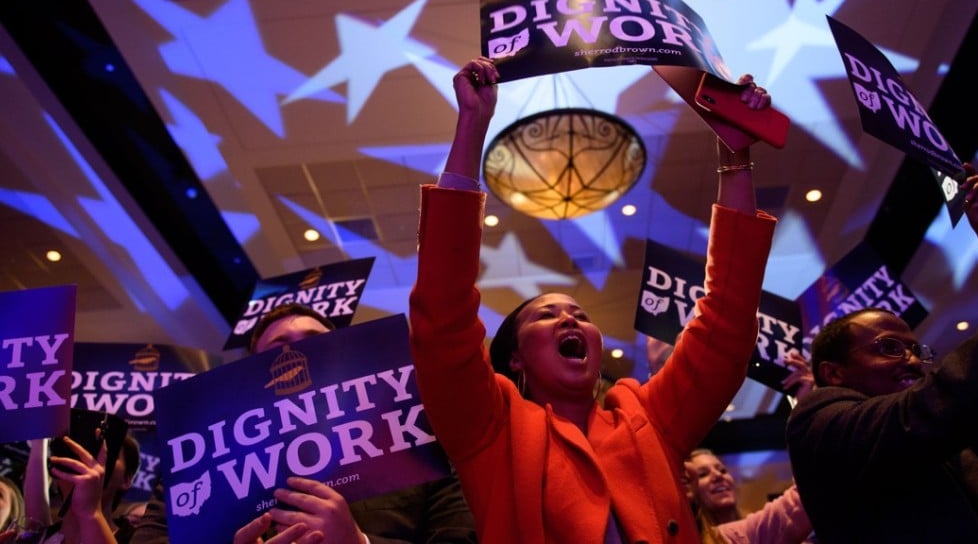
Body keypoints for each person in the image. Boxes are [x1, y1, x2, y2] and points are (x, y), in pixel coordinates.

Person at [408, 57, 778, 543]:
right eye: (547, 315)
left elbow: (727, 319)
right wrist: (473, 126)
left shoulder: (649, 418)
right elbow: (443, 316)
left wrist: (736, 156)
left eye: (580, 315)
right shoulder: (490, 429)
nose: (570, 320)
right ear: (515, 355)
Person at [786, 165, 978, 543]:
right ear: (834, 373)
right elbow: (929, 408)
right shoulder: (819, 422)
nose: (911, 360)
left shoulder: (940, 443)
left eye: (914, 349)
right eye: (889, 348)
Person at [130, 302, 477, 544]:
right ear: (249, 374)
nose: (296, 355)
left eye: (316, 342)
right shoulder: (197, 465)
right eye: (275, 348)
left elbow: (459, 537)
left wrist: (358, 543)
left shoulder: (413, 439)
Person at [24, 425, 140, 544]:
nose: (87, 459)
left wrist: (91, 512)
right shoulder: (39, 537)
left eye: (106, 451)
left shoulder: (139, 538)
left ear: (126, 479)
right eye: (74, 449)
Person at [685, 449, 812, 544]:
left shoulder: (751, 528)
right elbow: (793, 508)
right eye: (702, 474)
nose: (718, 475)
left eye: (722, 470)